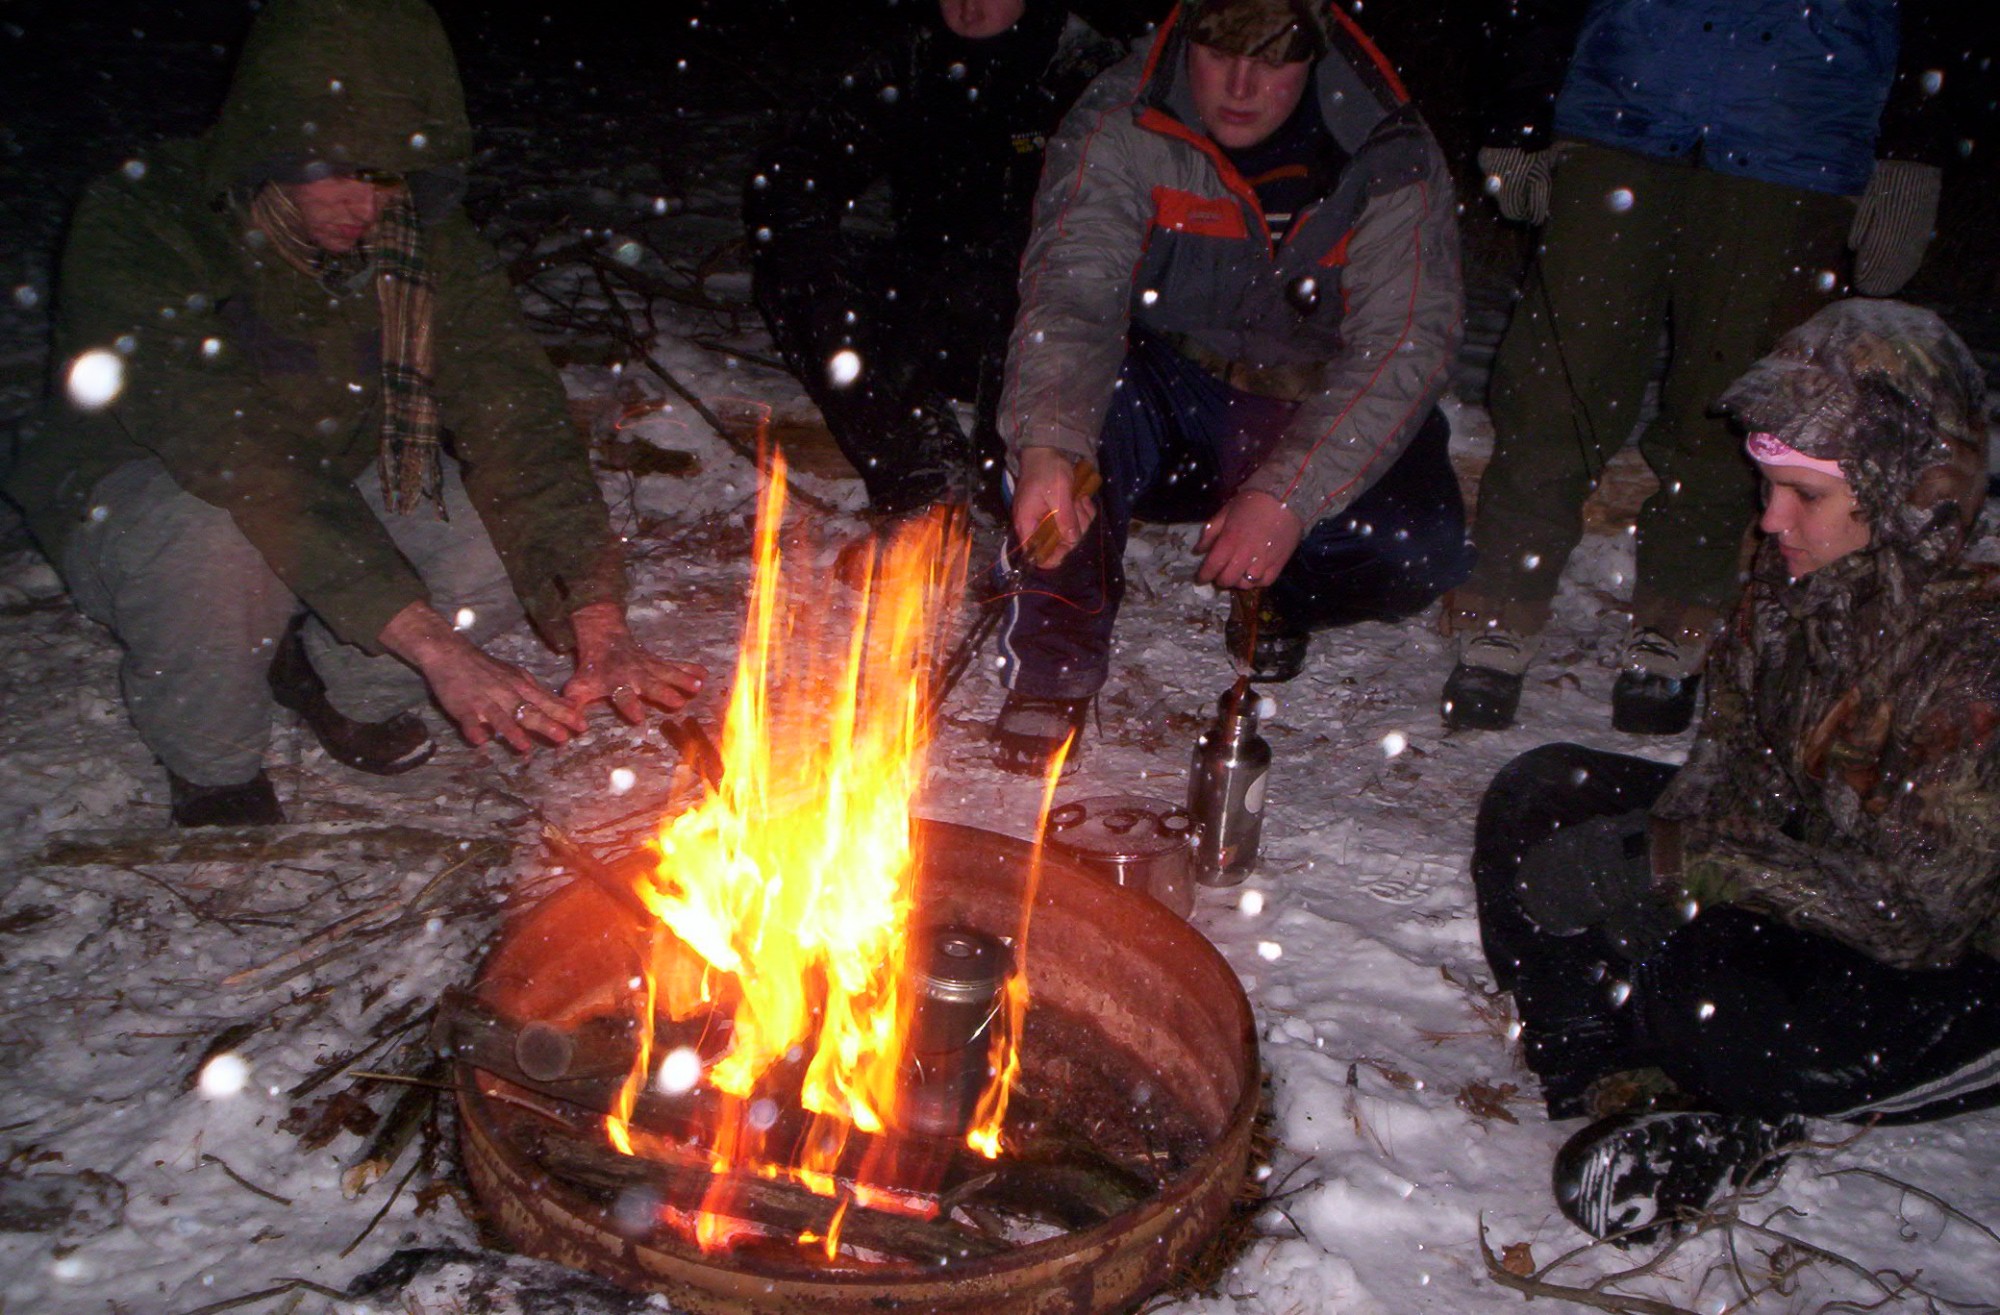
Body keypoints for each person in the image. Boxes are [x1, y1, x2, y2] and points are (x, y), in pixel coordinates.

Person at [3, 0, 705, 827]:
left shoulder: (426, 247)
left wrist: (597, 613)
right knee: (218, 543)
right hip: (148, 482)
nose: (364, 207)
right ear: (267, 148)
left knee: (486, 532)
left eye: (386, 175)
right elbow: (233, 450)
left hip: (328, 466)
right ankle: (212, 758)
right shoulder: (147, 220)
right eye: (336, 169)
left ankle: (354, 683)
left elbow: (516, 417)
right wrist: (435, 643)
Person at [1470, 300, 1999, 1245]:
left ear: (1905, 497)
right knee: (1541, 796)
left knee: (1718, 997)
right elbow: (1736, 759)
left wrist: (1683, 861)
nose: (1770, 518)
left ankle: (1721, 1089)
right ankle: (1612, 1080)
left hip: (1948, 968)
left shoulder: (1975, 651)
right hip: (1816, 873)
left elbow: (1916, 915)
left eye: (1805, 496)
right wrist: (1659, 856)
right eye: (1769, 486)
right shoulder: (1792, 575)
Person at [1442, 0, 1955, 735]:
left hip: (1801, 118)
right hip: (1622, 100)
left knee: (1737, 402)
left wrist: (1913, 144)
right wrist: (1519, 110)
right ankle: (1502, 608)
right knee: (1557, 381)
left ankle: (1677, 618)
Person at [991, 0, 1470, 773]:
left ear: (1313, 52)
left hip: (1313, 400)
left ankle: (1283, 584)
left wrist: (1287, 495)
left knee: (1420, 551)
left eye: (1273, 58)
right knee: (1055, 435)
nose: (1241, 85)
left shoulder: (1390, 152)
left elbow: (1404, 345)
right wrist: (1049, 441)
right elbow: (1072, 295)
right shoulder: (1126, 119)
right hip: (1174, 392)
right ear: (1186, 36)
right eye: (1219, 53)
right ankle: (1054, 664)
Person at [743, 0, 1122, 526]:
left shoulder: (1085, 71)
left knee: (1010, 286)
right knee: (799, 270)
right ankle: (920, 476)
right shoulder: (913, 59)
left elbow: (1107, 249)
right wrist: (801, 241)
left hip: (1040, 324)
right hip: (930, 300)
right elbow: (803, 168)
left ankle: (1004, 489)